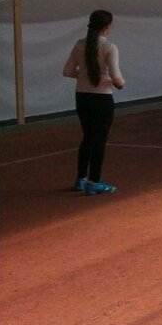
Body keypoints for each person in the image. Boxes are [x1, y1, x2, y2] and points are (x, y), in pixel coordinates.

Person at [62, 10, 125, 195]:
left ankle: (81, 179)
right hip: (102, 98)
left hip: (82, 97)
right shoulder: (109, 48)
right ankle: (94, 182)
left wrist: (84, 76)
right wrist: (120, 83)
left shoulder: (79, 45)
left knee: (88, 137)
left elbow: (67, 71)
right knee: (99, 140)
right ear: (106, 27)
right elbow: (116, 77)